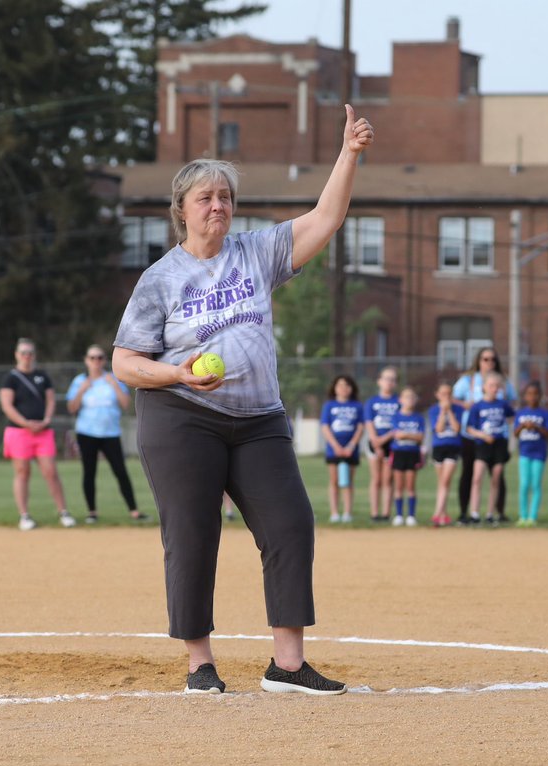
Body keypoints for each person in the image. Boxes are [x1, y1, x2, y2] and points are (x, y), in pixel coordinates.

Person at [110, 104, 373, 696]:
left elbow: (326, 217)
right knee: (194, 534)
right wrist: (175, 374)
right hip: (181, 417)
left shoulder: (255, 253)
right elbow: (125, 362)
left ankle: (286, 666)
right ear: (182, 211)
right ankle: (200, 665)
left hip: (258, 419)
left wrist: (349, 153)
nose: (218, 205)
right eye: (205, 197)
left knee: (290, 524)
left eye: (225, 196)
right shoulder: (160, 279)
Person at [0, 338, 76, 531]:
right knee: (22, 472)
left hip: (42, 431)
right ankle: (24, 515)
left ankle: (63, 512)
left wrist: (46, 420)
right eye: (23, 353)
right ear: (17, 355)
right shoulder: (10, 378)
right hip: (19, 432)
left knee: (50, 471)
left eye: (30, 353)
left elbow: (50, 400)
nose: (27, 356)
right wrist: (25, 423)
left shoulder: (42, 376)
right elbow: (7, 406)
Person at [66, 345, 148, 524]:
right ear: (86, 360)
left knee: (120, 471)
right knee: (89, 472)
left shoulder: (113, 379)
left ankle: (134, 511)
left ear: (105, 360)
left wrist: (115, 386)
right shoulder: (80, 381)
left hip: (110, 433)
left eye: (100, 357)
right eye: (92, 358)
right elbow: (72, 408)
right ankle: (92, 512)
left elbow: (126, 404)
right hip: (87, 433)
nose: (96, 361)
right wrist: (82, 390)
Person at [453, 347, 516, 524]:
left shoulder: (503, 381)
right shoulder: (469, 380)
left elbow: (513, 406)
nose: (489, 363)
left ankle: (495, 513)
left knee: (497, 476)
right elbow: (452, 398)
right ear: (478, 360)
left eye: (492, 359)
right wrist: (466, 405)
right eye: (485, 359)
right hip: (473, 436)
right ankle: (468, 513)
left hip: (498, 438)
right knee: (470, 474)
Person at [464, 372, 514, 526]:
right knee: (477, 478)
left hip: (499, 444)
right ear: (484, 387)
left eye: (497, 386)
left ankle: (490, 514)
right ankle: (474, 513)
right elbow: (469, 428)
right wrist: (483, 435)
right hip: (483, 445)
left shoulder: (502, 404)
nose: (494, 388)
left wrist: (505, 430)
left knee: (495, 478)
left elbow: (512, 418)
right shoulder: (478, 406)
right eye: (491, 385)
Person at [320, 375, 362, 523]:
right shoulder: (329, 405)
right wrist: (335, 446)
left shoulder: (357, 406)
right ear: (335, 388)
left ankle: (347, 513)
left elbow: (360, 427)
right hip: (334, 449)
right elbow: (325, 427)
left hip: (351, 449)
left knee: (348, 481)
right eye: (340, 385)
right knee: (334, 480)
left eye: (347, 385)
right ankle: (334, 513)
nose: (344, 388)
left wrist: (351, 445)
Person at [512, 381, 548, 527]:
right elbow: (515, 433)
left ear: (540, 396)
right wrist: (523, 426)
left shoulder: (544, 413)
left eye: (535, 394)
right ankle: (522, 516)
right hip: (524, 453)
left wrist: (536, 426)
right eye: (529, 394)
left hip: (539, 454)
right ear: (525, 396)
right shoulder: (521, 413)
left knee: (535, 484)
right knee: (524, 484)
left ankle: (532, 516)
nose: (532, 397)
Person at [364, 366, 400, 522]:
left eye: (392, 379)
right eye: (386, 378)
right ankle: (374, 513)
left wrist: (385, 439)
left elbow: (400, 423)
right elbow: (369, 422)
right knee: (376, 478)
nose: (389, 382)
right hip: (375, 442)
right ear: (379, 381)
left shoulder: (398, 402)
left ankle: (386, 513)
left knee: (388, 479)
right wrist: (376, 442)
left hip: (392, 443)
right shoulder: (372, 402)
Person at [427, 382, 464, 527]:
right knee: (442, 482)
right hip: (438, 447)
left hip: (453, 447)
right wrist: (443, 412)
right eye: (443, 394)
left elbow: (456, 428)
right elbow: (439, 429)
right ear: (437, 395)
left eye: (449, 394)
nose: (446, 397)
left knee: (445, 480)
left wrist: (449, 411)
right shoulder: (433, 410)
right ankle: (443, 514)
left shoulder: (458, 409)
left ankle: (437, 513)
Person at [388, 386, 426, 526]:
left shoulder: (418, 417)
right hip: (399, 452)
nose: (409, 400)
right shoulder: (396, 416)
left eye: (412, 397)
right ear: (400, 400)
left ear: (416, 400)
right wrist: (410, 435)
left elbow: (421, 437)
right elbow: (396, 434)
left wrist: (406, 435)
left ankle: (411, 515)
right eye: (406, 397)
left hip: (413, 453)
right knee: (398, 485)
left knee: (410, 485)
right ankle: (398, 515)